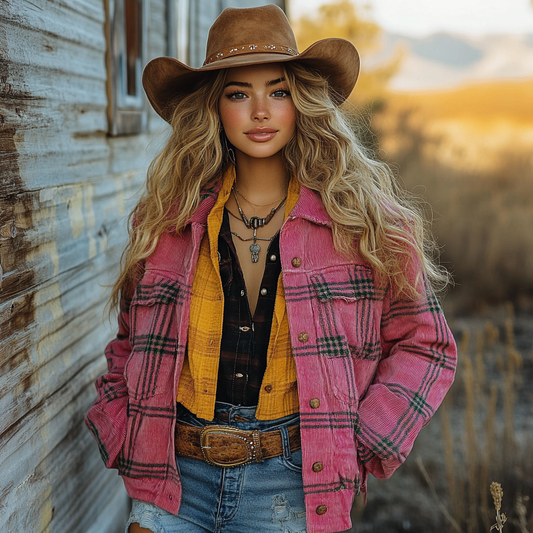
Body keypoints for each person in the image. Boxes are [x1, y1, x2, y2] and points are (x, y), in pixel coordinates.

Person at [85, 5, 457, 533]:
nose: (260, 110)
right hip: (172, 483)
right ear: (213, 107)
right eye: (239, 93)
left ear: (302, 102)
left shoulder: (361, 222)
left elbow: (427, 343)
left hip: (292, 487)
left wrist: (363, 437)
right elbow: (131, 338)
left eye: (278, 91)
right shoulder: (167, 221)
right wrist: (120, 424)